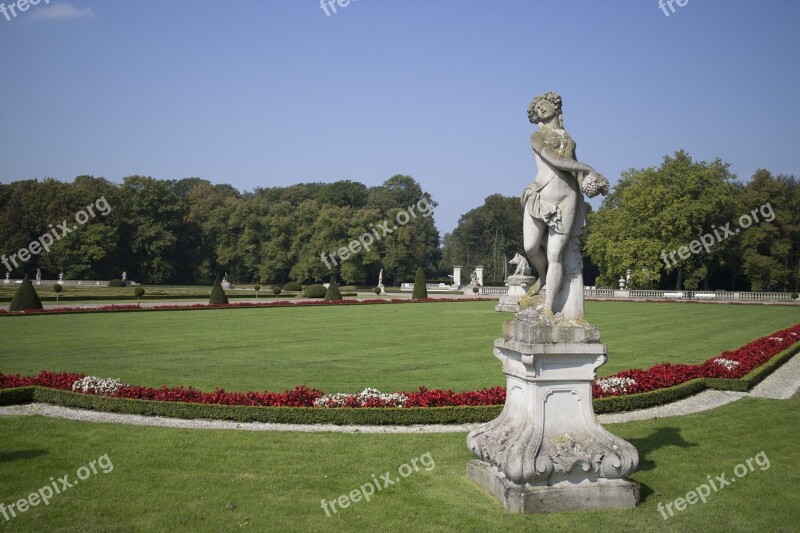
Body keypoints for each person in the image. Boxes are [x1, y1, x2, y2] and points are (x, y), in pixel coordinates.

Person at [522, 92, 607, 320]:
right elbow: (556, 160)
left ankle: (549, 307)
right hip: (539, 194)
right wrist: (589, 168)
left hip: (567, 198)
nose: (540, 109)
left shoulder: (569, 141)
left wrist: (593, 184)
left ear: (555, 106)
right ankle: (542, 275)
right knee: (530, 247)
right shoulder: (537, 136)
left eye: (543, 105)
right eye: (536, 108)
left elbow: (574, 174)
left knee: (555, 254)